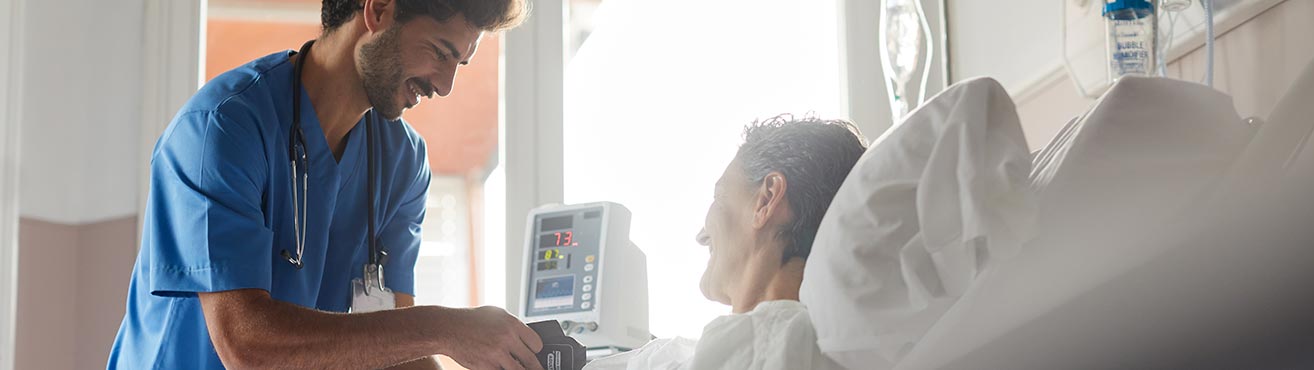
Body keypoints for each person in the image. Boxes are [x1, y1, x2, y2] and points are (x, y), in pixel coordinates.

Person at [107, 1, 543, 369]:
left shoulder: (402, 162)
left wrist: (462, 344)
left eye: (459, 64)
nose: (445, 86)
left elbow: (399, 351)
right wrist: (448, 329)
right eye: (439, 52)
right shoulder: (221, 129)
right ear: (378, 10)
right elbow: (245, 344)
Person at [587, 115, 868, 370]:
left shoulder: (770, 342)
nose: (702, 235)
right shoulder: (828, 345)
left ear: (767, 199)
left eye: (719, 198)